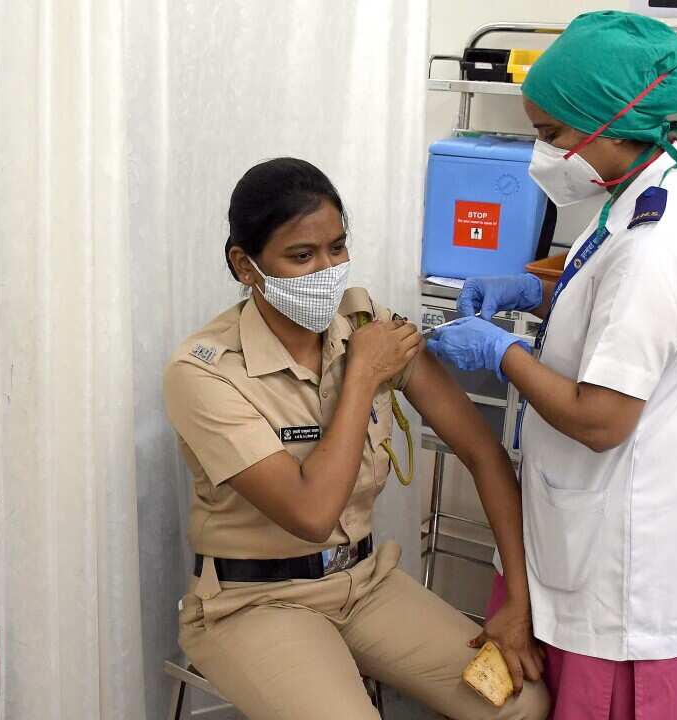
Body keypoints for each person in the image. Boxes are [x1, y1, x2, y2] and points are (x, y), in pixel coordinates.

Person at [427, 11, 677, 719]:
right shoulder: (644, 190)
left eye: (551, 135)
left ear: (610, 121)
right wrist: (534, 291)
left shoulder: (656, 246)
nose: (544, 154)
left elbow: (601, 421)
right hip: (597, 522)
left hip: (633, 560)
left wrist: (501, 352)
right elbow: (606, 300)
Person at [162, 158, 549, 720]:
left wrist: (518, 598)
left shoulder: (364, 323)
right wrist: (363, 376)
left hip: (365, 583)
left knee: (521, 701)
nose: (328, 270)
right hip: (256, 604)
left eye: (337, 248)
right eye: (302, 256)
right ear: (245, 265)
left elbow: (481, 452)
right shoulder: (205, 372)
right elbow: (312, 514)